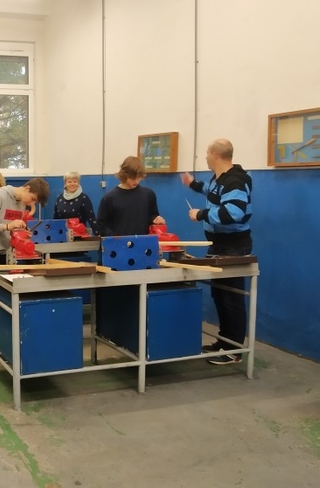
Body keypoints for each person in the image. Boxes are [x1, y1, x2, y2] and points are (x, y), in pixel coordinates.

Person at [181, 138, 253, 365]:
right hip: (218, 245)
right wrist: (193, 184)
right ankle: (224, 341)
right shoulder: (219, 179)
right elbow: (212, 192)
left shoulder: (235, 181)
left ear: (215, 155)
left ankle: (234, 350)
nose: (205, 156)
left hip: (234, 246)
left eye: (207, 153)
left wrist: (200, 215)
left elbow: (234, 213)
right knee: (220, 295)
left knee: (232, 298)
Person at [0, 178, 51, 272]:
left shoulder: (22, 203)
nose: (32, 203)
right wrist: (7, 226)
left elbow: (12, 225)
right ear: (27, 188)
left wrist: (23, 232)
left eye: (35, 202)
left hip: (5, 252)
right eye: (33, 199)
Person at [96, 156, 165, 236]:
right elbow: (101, 226)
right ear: (124, 175)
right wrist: (115, 237)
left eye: (138, 178)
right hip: (119, 243)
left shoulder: (148, 195)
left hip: (142, 242)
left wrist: (156, 220)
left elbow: (152, 217)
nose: (136, 181)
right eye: (132, 178)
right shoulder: (109, 198)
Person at [53, 171, 98, 235]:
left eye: (75, 181)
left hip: (80, 235)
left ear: (78, 183)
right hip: (62, 235)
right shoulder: (59, 198)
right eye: (69, 182)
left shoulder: (84, 198)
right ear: (65, 183)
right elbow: (55, 219)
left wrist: (99, 235)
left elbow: (91, 219)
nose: (72, 184)